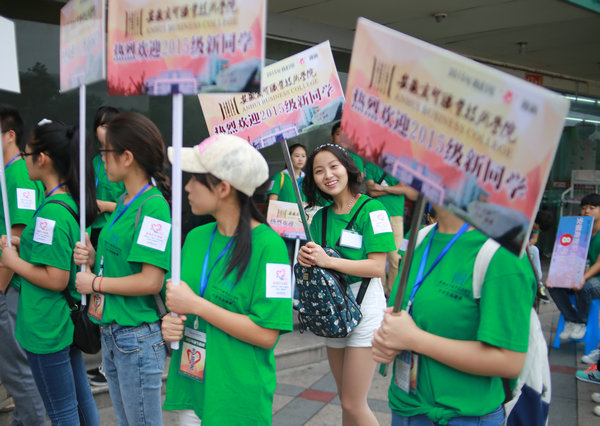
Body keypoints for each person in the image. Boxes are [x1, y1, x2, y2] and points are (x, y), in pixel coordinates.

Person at [161, 134, 293, 425]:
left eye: (194, 179)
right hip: (192, 385)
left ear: (222, 188)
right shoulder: (196, 237)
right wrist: (170, 323)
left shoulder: (270, 247)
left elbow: (266, 334)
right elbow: (180, 305)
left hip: (236, 395)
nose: (187, 187)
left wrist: (197, 305)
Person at [372, 205, 536, 425]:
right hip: (405, 408)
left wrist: (415, 339)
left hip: (463, 416)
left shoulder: (502, 252)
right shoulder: (421, 237)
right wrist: (390, 339)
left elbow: (509, 361)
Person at [73, 112, 171, 425]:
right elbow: (119, 265)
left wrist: (95, 283)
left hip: (137, 337)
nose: (102, 160)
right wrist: (90, 257)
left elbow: (151, 280)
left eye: (105, 152)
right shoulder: (127, 200)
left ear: (127, 157)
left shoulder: (153, 206)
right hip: (114, 334)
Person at [0, 118, 99, 425]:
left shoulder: (51, 212)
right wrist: (22, 245)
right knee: (80, 404)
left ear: (42, 159)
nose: (24, 161)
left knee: (62, 411)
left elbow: (55, 277)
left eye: (28, 154)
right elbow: (54, 255)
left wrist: (12, 260)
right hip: (61, 323)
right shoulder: (63, 201)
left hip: (45, 325)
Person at [298, 143, 396, 425]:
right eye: (318, 171)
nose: (327, 175)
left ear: (347, 168)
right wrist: (308, 259)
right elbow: (317, 266)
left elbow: (378, 267)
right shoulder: (320, 217)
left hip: (365, 307)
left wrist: (328, 261)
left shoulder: (373, 209)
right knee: (345, 400)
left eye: (333, 167)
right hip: (332, 308)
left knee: (354, 402)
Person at [0, 105, 46, 425]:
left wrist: (0, 289)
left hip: (11, 285)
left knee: (18, 369)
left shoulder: (19, 176)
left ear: (10, 135)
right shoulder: (9, 172)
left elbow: (18, 237)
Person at [86, 105, 125, 387]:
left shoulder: (122, 162)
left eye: (109, 125)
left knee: (110, 291)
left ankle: (107, 361)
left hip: (115, 234)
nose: (103, 131)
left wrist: (104, 205)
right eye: (100, 125)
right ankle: (105, 358)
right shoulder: (93, 162)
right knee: (96, 295)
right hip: (95, 235)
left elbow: (131, 204)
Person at [549, 193, 600, 340]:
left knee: (584, 286)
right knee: (553, 286)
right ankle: (571, 320)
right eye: (584, 208)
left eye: (592, 208)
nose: (587, 212)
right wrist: (556, 275)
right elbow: (567, 256)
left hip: (596, 280)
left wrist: (582, 277)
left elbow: (598, 264)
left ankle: (582, 322)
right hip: (583, 276)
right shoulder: (580, 231)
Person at [364, 160, 411, 295]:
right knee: (378, 255)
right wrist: (394, 189)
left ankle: (392, 293)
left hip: (396, 215)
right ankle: (381, 290)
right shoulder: (371, 165)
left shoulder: (401, 167)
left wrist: (381, 188)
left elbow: (405, 189)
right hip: (377, 215)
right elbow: (372, 192)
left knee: (395, 257)